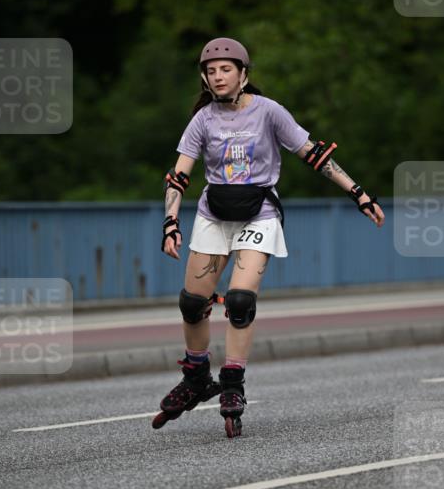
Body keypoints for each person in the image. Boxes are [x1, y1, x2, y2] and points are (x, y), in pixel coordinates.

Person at [152, 37, 385, 438]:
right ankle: (196, 377)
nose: (218, 76)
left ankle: (233, 383)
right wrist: (170, 223)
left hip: (258, 213)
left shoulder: (268, 111)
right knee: (192, 303)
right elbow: (178, 176)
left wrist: (359, 193)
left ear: (243, 74)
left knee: (239, 302)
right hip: (214, 214)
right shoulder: (203, 119)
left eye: (226, 69)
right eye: (211, 71)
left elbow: (314, 155)